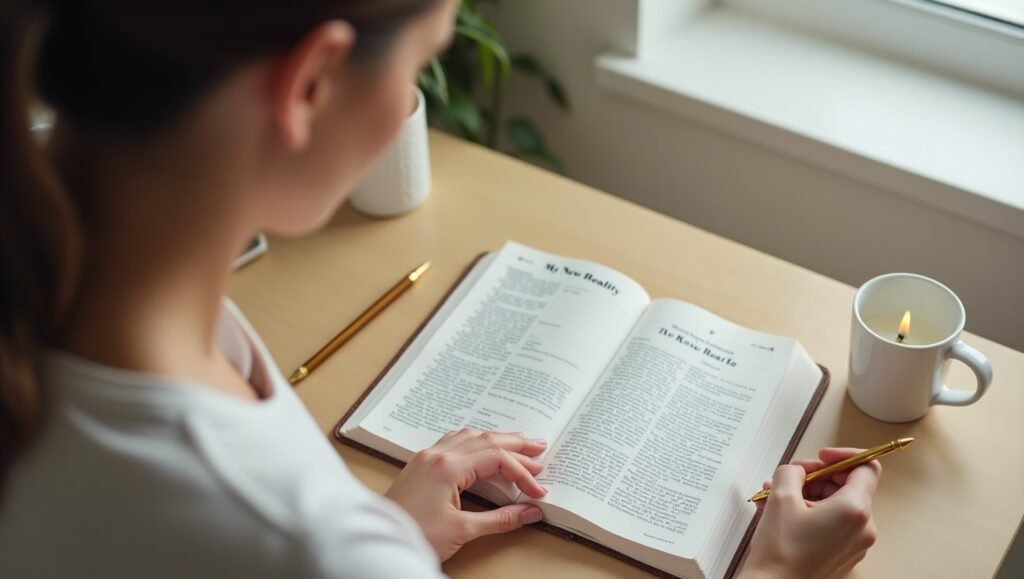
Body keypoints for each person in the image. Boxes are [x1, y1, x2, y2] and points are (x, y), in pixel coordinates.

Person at [0, 0, 881, 577]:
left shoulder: (86, 290)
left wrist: (387, 536)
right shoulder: (296, 536)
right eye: (421, 64)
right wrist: (773, 575)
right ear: (309, 84)